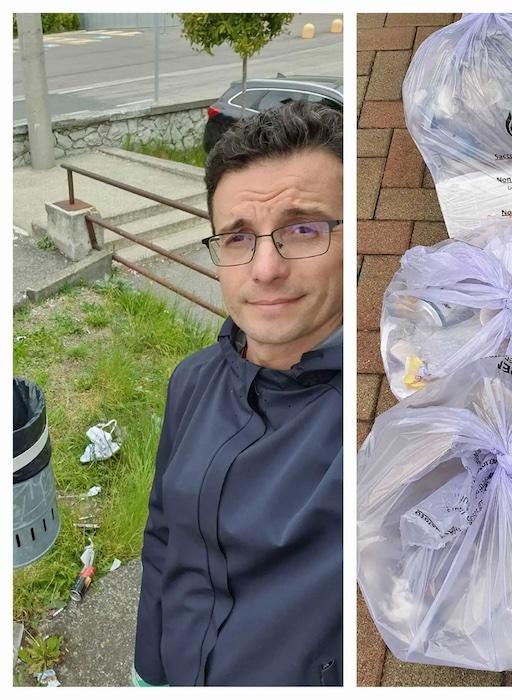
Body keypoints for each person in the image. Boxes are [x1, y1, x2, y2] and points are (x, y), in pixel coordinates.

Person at [132, 102, 343, 687]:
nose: (266, 268)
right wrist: (148, 668)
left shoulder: (366, 431)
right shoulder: (191, 381)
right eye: (237, 237)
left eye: (304, 228)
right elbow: (163, 534)